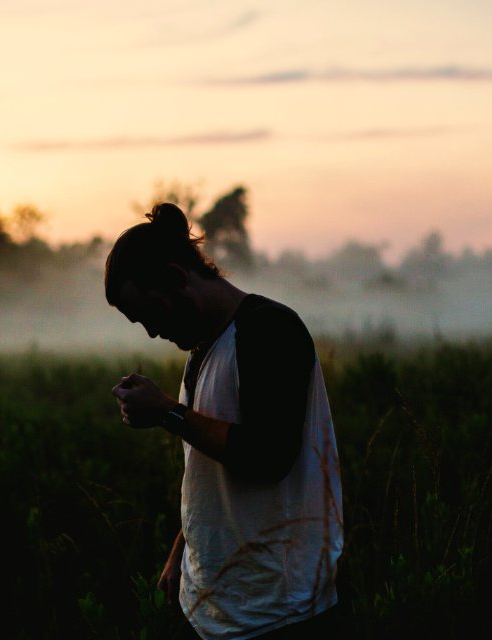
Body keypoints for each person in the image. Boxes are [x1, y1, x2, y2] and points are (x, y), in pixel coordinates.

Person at [107, 203, 344, 640]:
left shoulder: (268, 329)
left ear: (179, 279)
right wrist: (182, 548)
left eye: (151, 313)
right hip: (218, 610)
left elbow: (268, 455)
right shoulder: (202, 350)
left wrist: (167, 413)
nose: (152, 333)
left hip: (280, 612)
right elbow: (215, 471)